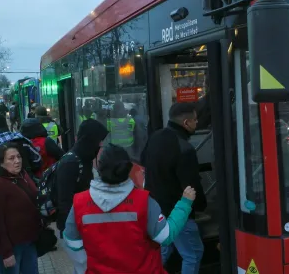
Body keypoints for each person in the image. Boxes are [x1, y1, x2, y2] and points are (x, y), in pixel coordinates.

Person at [63, 144, 196, 273]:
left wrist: (85, 267)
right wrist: (184, 204)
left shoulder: (79, 203)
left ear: (99, 167)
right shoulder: (144, 201)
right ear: (128, 168)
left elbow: (72, 241)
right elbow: (165, 236)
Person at [142, 102, 207, 274]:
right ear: (186, 123)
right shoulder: (185, 149)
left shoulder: (155, 137)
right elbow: (191, 186)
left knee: (163, 250)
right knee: (193, 253)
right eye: (195, 120)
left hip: (157, 210)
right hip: (178, 213)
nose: (197, 123)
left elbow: (144, 163)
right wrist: (201, 206)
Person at [55, 119, 108, 273]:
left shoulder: (83, 159)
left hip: (85, 224)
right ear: (88, 140)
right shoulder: (71, 162)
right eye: (98, 142)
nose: (100, 146)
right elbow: (64, 202)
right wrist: (70, 232)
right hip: (76, 228)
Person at [0, 143, 41, 274]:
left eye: (18, 156)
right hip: (11, 246)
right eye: (11, 158)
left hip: (28, 240)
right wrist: (6, 253)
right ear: (1, 163)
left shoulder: (21, 175)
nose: (17, 161)